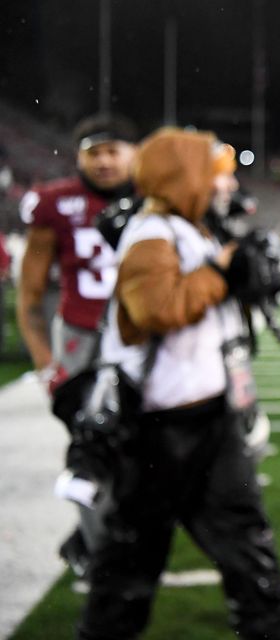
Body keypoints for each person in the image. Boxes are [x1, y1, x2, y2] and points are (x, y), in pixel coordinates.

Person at [79, 127, 280, 640]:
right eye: (210, 174)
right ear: (182, 177)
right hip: (159, 425)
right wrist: (223, 274)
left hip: (208, 414)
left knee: (244, 536)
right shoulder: (151, 233)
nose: (222, 185)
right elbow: (156, 309)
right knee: (133, 554)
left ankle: (273, 629)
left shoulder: (191, 227)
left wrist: (251, 280)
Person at [16, 114, 138, 572]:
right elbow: (29, 296)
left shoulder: (155, 195)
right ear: (79, 157)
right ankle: (100, 550)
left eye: (113, 150)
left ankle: (97, 540)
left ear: (133, 153)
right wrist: (46, 363)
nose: (104, 161)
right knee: (89, 445)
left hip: (139, 337)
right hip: (80, 336)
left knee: (141, 448)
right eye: (94, 151)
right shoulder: (56, 203)